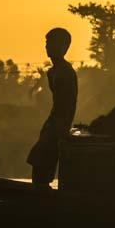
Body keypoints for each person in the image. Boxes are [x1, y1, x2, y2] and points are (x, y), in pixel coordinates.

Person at [27, 27, 77, 187]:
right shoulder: (52, 72)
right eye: (47, 43)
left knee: (42, 156)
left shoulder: (66, 72)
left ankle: (41, 190)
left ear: (63, 46)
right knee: (38, 157)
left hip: (59, 122)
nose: (47, 46)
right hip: (53, 120)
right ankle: (39, 189)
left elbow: (68, 103)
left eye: (51, 43)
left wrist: (61, 126)